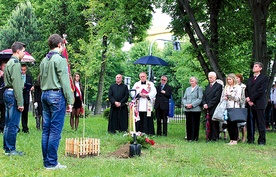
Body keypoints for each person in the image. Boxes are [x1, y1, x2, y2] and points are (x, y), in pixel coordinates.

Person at [40, 34, 74, 169]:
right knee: (55, 131)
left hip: (45, 94)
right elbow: (65, 82)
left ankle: (46, 162)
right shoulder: (60, 59)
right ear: (60, 45)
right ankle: (52, 163)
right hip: (56, 96)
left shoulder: (44, 60)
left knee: (46, 130)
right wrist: (70, 100)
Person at [3, 42, 25, 156]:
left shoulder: (9, 62)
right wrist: (20, 103)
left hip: (7, 92)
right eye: (23, 51)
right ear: (18, 51)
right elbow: (17, 84)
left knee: (7, 122)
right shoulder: (16, 64)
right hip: (13, 93)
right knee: (13, 123)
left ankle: (7, 147)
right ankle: (11, 149)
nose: (24, 54)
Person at [245, 62, 268, 145]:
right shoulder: (250, 79)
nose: (254, 68)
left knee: (260, 122)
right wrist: (248, 99)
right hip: (249, 104)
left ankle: (262, 140)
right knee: (250, 122)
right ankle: (250, 139)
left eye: (256, 66)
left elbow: (261, 91)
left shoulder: (264, 78)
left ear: (260, 68)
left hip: (259, 103)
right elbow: (246, 90)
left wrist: (251, 98)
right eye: (254, 66)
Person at [221, 74, 242, 145]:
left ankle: (235, 139)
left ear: (233, 79)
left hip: (234, 107)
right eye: (228, 79)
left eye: (230, 79)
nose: (229, 81)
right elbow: (223, 96)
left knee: (234, 124)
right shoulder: (226, 87)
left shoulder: (238, 87)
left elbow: (238, 98)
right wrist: (225, 97)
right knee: (228, 124)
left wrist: (230, 96)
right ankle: (231, 139)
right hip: (227, 107)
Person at [202, 71, 222, 141]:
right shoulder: (207, 86)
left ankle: (215, 137)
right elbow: (204, 96)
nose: (209, 79)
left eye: (211, 77)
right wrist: (204, 104)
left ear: (215, 77)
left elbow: (216, 98)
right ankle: (209, 137)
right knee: (208, 122)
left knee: (214, 123)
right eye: (209, 77)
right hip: (207, 107)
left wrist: (209, 105)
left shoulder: (219, 86)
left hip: (214, 107)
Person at [182, 76, 203, 141]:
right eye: (190, 81)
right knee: (188, 124)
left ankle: (194, 137)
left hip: (195, 109)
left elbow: (200, 98)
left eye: (193, 81)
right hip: (187, 109)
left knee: (195, 124)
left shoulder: (199, 88)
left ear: (196, 82)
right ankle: (189, 138)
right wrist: (186, 104)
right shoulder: (188, 89)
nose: (191, 82)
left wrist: (192, 105)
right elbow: (184, 98)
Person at [21, 64, 34, 133]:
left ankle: (25, 127)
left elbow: (31, 85)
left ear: (26, 70)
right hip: (20, 95)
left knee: (25, 113)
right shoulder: (18, 77)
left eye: (24, 70)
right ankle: (16, 127)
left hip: (26, 95)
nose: (23, 71)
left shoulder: (29, 77)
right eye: (21, 70)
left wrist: (31, 88)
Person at [236, 74, 247, 143]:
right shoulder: (234, 86)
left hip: (241, 105)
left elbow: (244, 97)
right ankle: (237, 136)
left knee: (242, 123)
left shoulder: (243, 87)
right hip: (235, 106)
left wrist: (242, 102)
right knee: (235, 122)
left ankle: (244, 137)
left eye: (237, 78)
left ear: (240, 79)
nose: (236, 79)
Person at [0, 62, 6, 133]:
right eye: (4, 66)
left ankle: (3, 128)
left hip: (4, 97)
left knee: (4, 114)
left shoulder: (6, 75)